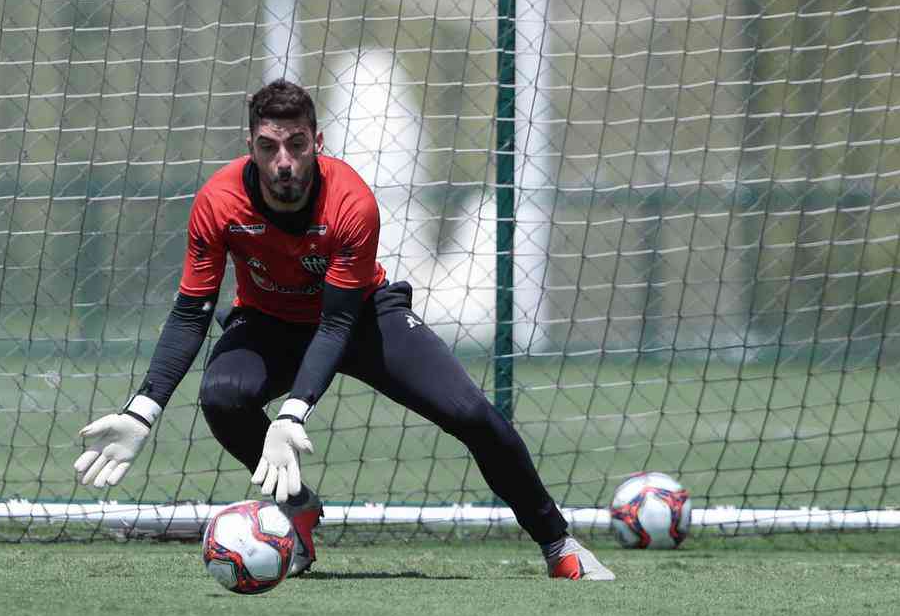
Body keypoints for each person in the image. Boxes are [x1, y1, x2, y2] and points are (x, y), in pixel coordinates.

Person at [73, 79, 614, 580]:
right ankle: (299, 510)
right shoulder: (218, 201)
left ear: (317, 142)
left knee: (473, 414)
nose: (283, 161)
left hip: (361, 318)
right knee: (221, 397)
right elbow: (192, 312)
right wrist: (142, 411)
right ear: (251, 146)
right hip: (268, 323)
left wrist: (291, 413)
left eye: (297, 144)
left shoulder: (352, 201)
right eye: (268, 146)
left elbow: (336, 321)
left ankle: (557, 543)